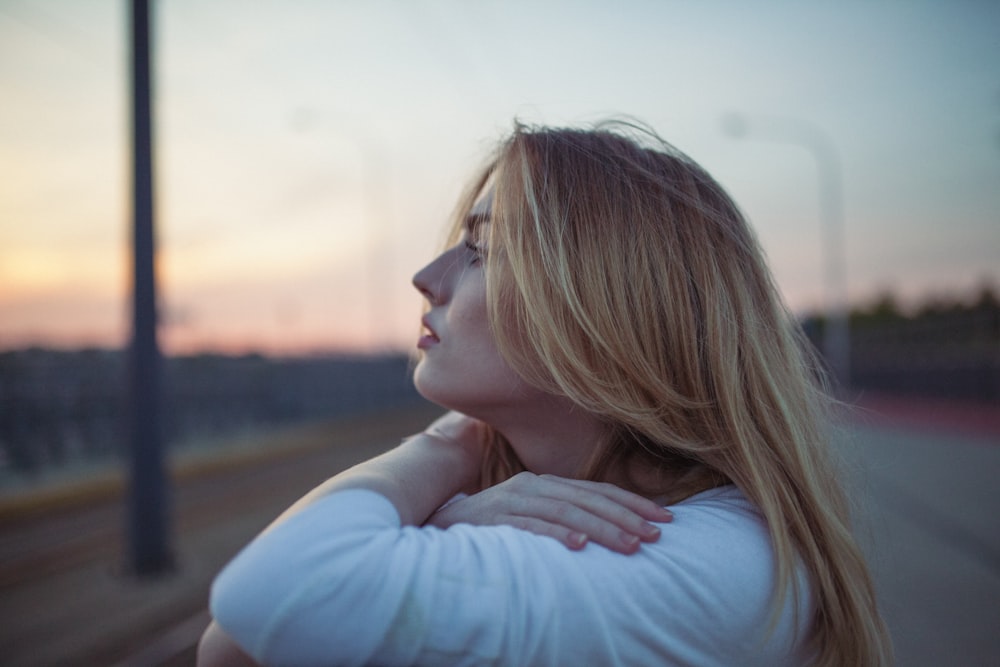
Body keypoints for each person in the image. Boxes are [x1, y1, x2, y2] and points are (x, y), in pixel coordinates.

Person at [198, 121, 892, 666]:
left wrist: (446, 442)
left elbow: (268, 595)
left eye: (484, 248)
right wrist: (444, 525)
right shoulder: (539, 516)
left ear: (606, 306)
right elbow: (231, 645)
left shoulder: (714, 566)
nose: (426, 276)